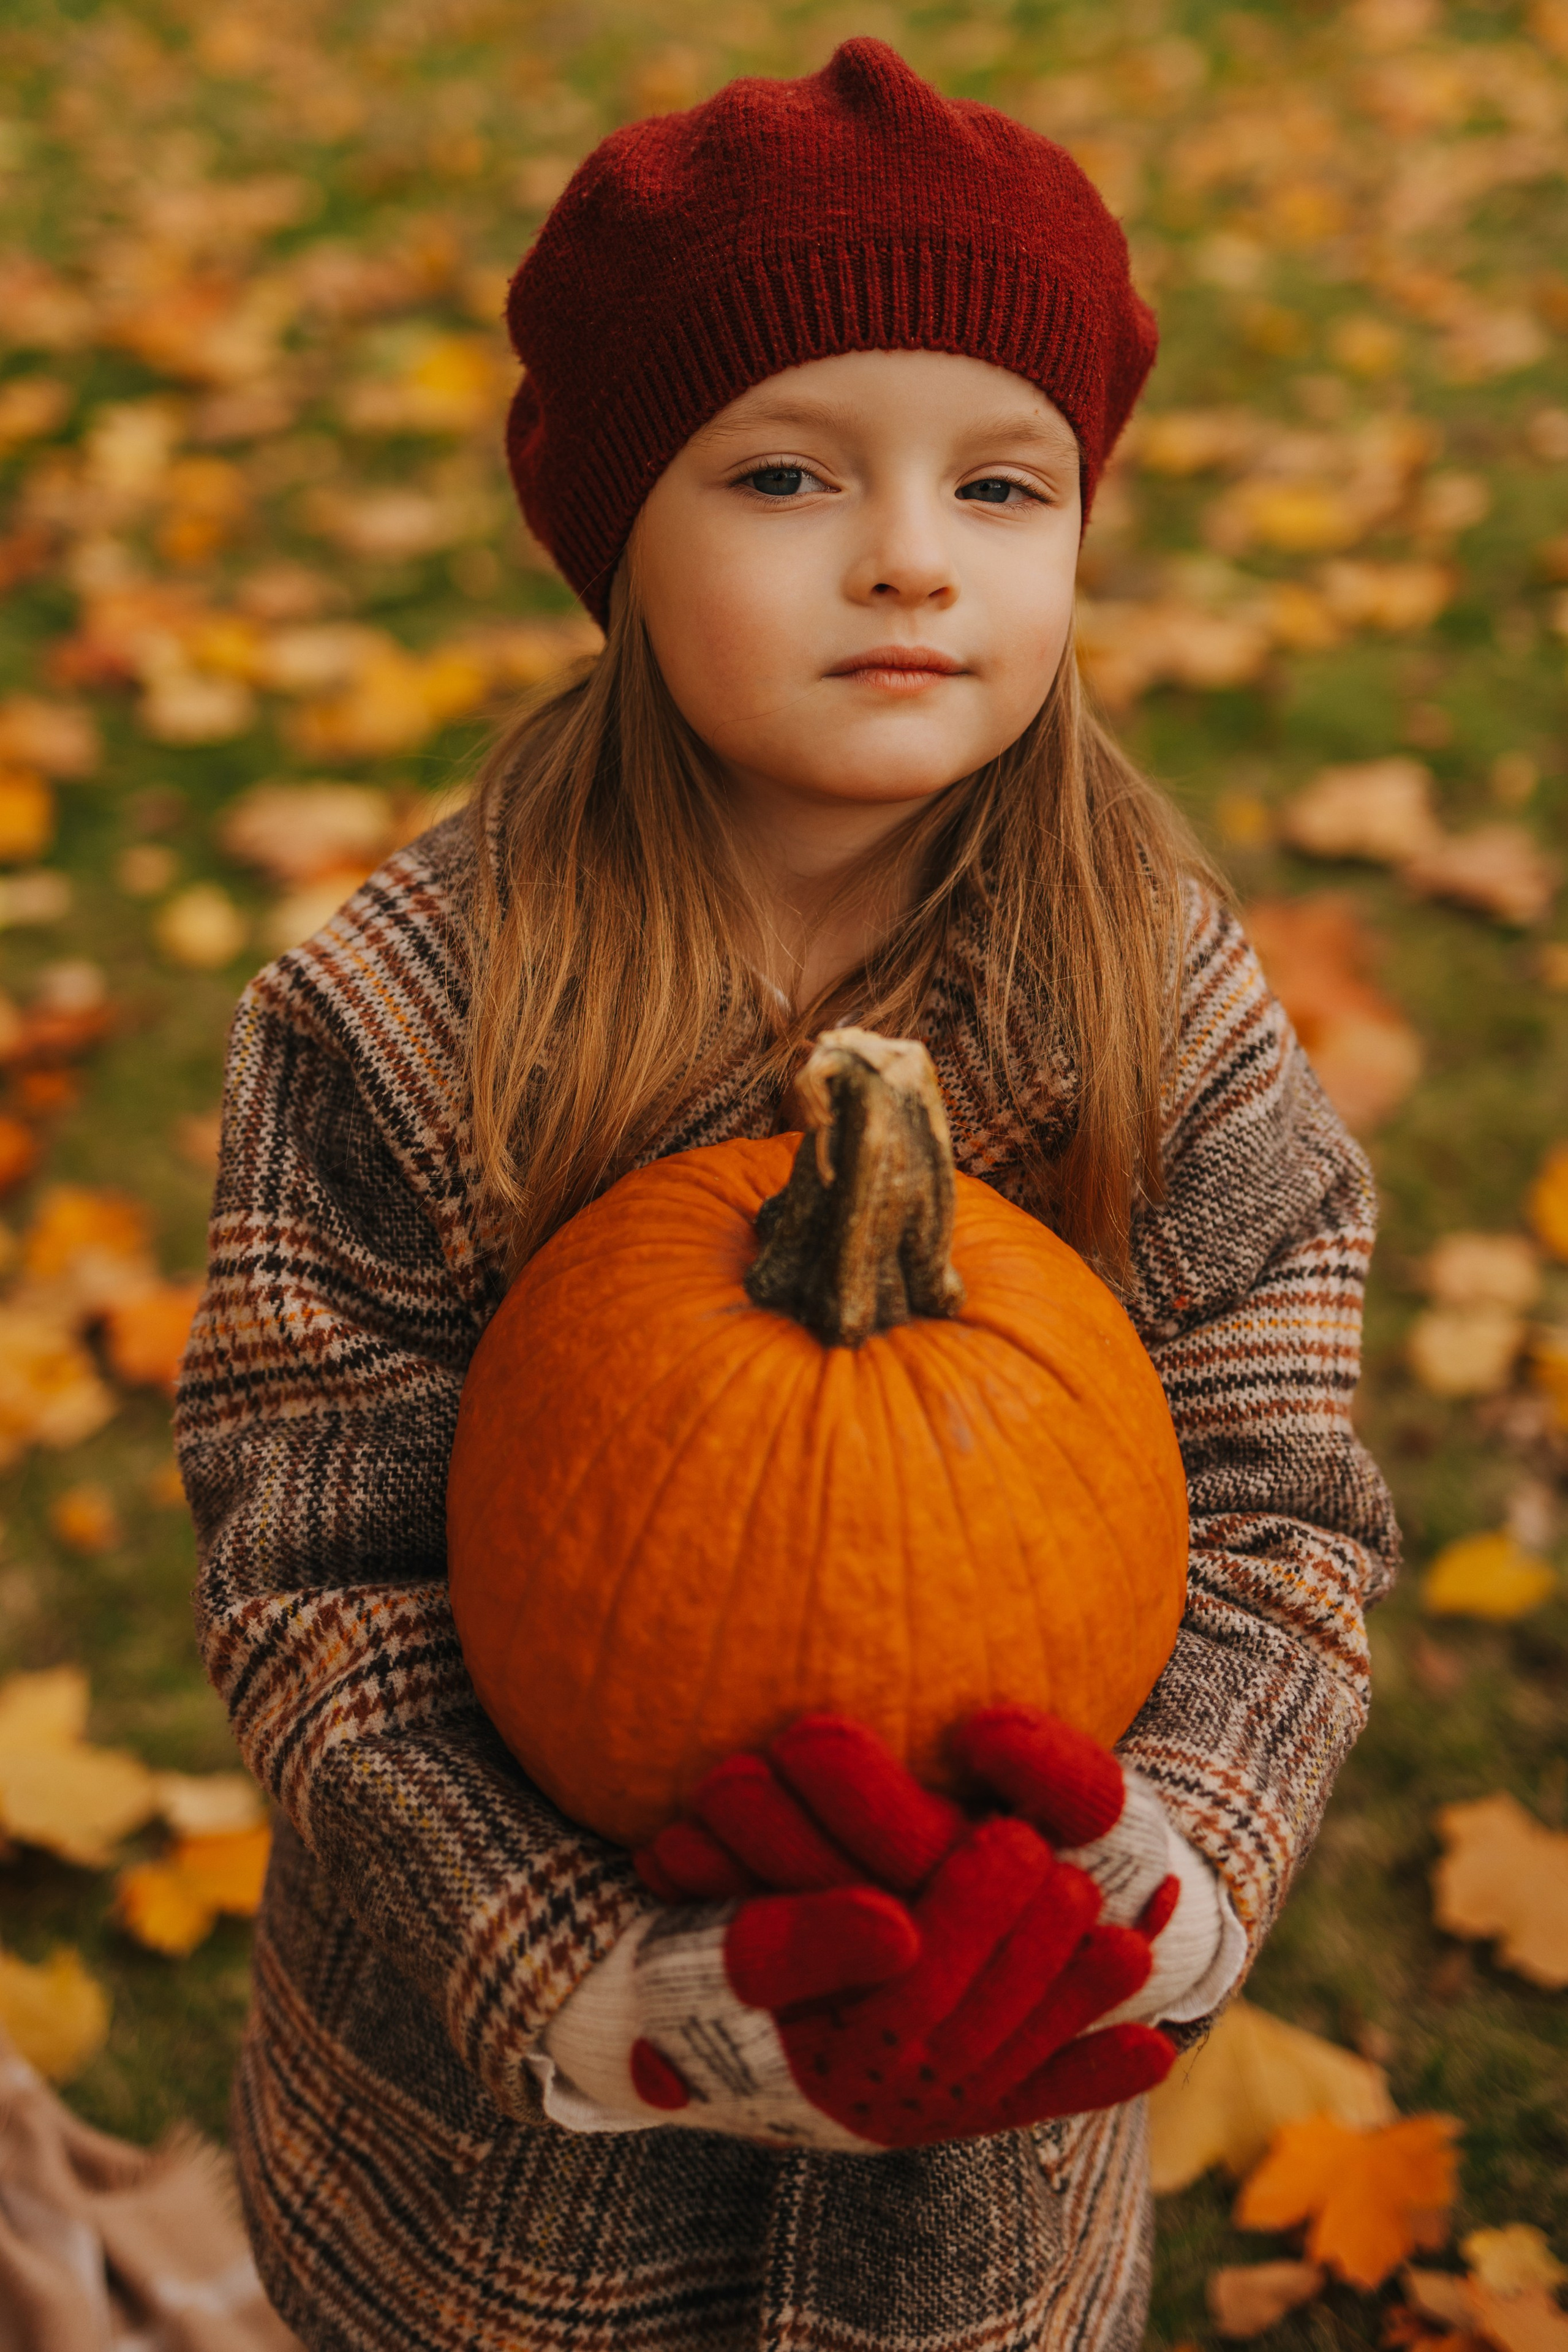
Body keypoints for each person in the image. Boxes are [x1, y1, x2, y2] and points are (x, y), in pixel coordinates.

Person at [175, 39, 1398, 2352]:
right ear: (614, 529)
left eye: (1006, 487)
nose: (913, 555)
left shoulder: (1160, 996)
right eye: (784, 473)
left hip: (987, 2149)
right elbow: (314, 1578)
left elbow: (1279, 1513)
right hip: (498, 2184)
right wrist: (617, 1989)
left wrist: (1156, 1882)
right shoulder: (400, 1018)